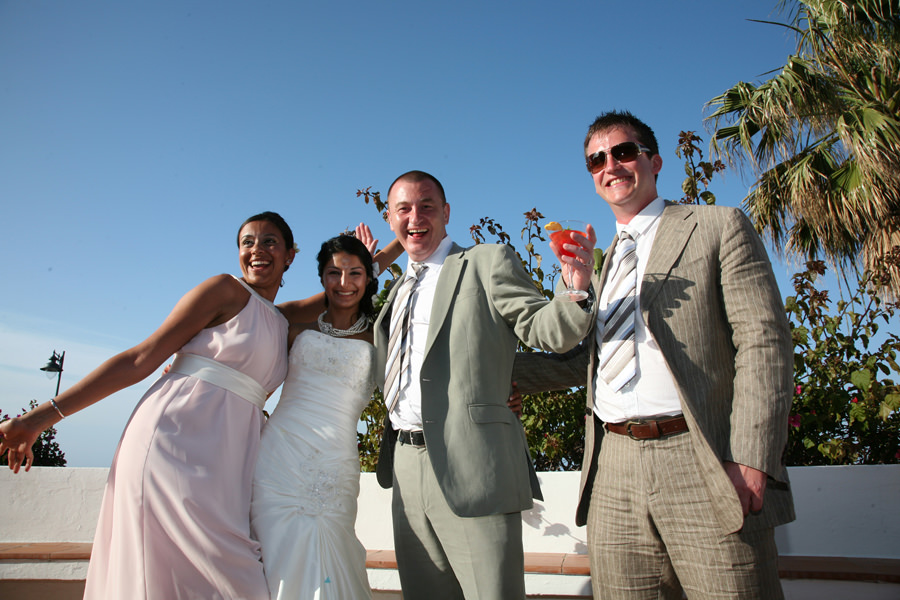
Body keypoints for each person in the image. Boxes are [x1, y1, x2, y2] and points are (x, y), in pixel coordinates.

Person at [514, 110, 795, 599]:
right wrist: (496, 378)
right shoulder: (600, 268)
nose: (611, 165)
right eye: (596, 160)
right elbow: (582, 360)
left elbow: (764, 341)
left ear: (655, 161)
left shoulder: (717, 226)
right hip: (612, 469)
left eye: (624, 152)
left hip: (701, 457)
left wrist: (751, 457)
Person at [0, 211, 298, 600]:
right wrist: (38, 418)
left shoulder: (283, 320)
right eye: (248, 242)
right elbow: (141, 359)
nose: (257, 250)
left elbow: (350, 285)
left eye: (270, 241)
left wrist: (404, 237)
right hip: (171, 443)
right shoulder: (225, 290)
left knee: (227, 572)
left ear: (291, 255)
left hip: (227, 465)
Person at [373, 170, 596, 600]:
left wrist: (573, 290)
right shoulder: (397, 290)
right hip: (404, 464)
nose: (415, 217)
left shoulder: (487, 261)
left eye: (426, 206)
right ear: (390, 218)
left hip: (474, 463)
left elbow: (542, 329)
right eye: (403, 209)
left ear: (446, 213)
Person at [250, 234, 391, 600]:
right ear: (321, 277)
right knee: (270, 551)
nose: (344, 283)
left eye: (354, 273)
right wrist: (187, 365)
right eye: (333, 273)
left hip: (335, 460)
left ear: (368, 276)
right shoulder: (295, 327)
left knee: (331, 547)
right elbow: (246, 348)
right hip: (278, 456)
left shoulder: (382, 336)